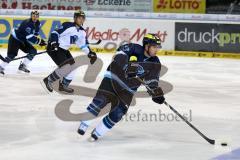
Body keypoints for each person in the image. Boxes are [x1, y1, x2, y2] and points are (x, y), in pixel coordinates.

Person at [77, 33, 165, 141]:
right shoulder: (133, 48)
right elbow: (118, 55)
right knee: (100, 101)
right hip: (113, 78)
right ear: (146, 45)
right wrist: (126, 66)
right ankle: (85, 123)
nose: (156, 50)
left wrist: (156, 93)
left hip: (128, 89)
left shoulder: (155, 63)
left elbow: (152, 81)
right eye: (154, 47)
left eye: (158, 47)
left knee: (118, 113)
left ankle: (97, 133)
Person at [42, 10, 97, 93]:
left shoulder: (82, 32)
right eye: (79, 18)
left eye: (83, 18)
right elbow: (55, 33)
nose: (81, 20)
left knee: (73, 67)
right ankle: (48, 80)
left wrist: (90, 53)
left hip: (64, 50)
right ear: (75, 18)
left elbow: (83, 45)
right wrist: (53, 42)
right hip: (55, 48)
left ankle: (63, 85)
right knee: (66, 67)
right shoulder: (67, 25)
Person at [0, 10, 46, 75]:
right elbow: (29, 37)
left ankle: (23, 66)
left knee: (33, 51)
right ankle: (1, 67)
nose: (35, 17)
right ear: (31, 16)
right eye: (33, 16)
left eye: (36, 16)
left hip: (22, 39)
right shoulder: (27, 23)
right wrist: (39, 42)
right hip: (15, 39)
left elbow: (35, 34)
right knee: (12, 55)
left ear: (38, 16)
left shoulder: (38, 23)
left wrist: (40, 41)